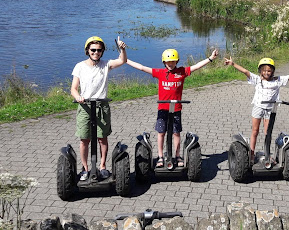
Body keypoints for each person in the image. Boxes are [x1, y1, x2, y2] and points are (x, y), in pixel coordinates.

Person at [126, 47, 218, 167]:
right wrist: (125, 60)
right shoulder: (160, 73)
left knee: (176, 133)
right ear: (164, 62)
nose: (170, 64)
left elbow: (196, 66)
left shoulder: (182, 72)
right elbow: (142, 68)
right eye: (168, 62)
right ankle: (160, 157)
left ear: (177, 61)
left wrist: (210, 58)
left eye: (173, 62)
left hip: (176, 109)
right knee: (161, 133)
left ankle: (177, 156)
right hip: (163, 109)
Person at [224, 56, 289, 163]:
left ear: (273, 71)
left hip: (270, 110)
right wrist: (233, 64)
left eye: (269, 71)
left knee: (267, 133)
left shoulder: (277, 80)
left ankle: (267, 155)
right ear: (260, 71)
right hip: (258, 108)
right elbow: (245, 71)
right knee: (255, 131)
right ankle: (251, 154)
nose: (266, 73)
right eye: (264, 70)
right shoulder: (257, 80)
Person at [71, 36, 127, 181]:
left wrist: (122, 49)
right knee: (84, 139)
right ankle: (85, 169)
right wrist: (78, 97)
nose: (96, 52)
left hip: (102, 105)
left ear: (102, 51)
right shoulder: (80, 66)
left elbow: (122, 61)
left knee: (102, 138)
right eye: (93, 50)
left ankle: (102, 166)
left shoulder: (106, 64)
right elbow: (74, 88)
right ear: (87, 51)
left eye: (99, 50)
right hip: (85, 106)